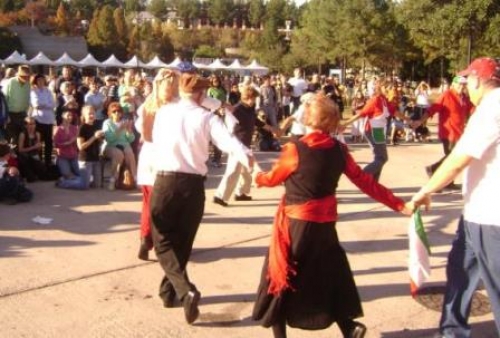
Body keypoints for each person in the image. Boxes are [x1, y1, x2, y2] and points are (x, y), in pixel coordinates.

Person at [251, 94, 413, 338]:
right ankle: (348, 327)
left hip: (297, 224)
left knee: (280, 274)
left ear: (309, 118)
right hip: (325, 224)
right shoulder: (339, 149)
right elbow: (365, 181)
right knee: (328, 274)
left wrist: (257, 177)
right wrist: (399, 205)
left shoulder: (295, 149)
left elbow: (273, 178)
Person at [150, 71, 253, 324]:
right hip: (193, 186)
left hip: (165, 180)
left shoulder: (165, 112)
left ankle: (184, 291)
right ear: (200, 94)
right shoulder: (207, 118)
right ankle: (169, 292)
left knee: (163, 241)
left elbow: (154, 140)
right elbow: (228, 143)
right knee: (182, 242)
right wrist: (247, 156)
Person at [411, 57, 500, 338]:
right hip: (475, 212)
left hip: (490, 215)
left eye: (466, 80)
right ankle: (452, 331)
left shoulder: (492, 108)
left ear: (476, 80)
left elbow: (458, 160)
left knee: (496, 287)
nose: (465, 86)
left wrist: (426, 190)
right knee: (460, 269)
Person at [135, 68, 179, 261]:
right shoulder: (176, 107)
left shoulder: (147, 105)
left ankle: (145, 239)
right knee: (164, 206)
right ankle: (161, 245)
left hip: (147, 159)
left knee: (148, 203)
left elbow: (141, 132)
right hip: (164, 160)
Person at [340, 77, 410, 182]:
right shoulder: (375, 100)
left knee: (379, 157)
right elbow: (362, 114)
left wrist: (408, 119)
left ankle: (373, 181)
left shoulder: (384, 100)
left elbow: (394, 112)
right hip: (373, 130)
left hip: (379, 131)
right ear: (380, 87)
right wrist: (345, 123)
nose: (390, 89)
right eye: (387, 87)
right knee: (382, 158)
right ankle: (362, 176)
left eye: (391, 87)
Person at [213, 86, 273, 207]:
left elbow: (256, 121)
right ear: (246, 97)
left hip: (246, 144)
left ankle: (241, 193)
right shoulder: (237, 109)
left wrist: (270, 128)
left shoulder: (250, 109)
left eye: (254, 98)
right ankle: (220, 196)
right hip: (237, 145)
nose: (253, 101)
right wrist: (223, 111)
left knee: (245, 172)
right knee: (233, 171)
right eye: (252, 98)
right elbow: (225, 114)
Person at [418, 76, 473, 189]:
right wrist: (420, 121)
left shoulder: (464, 97)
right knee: (452, 157)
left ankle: (447, 181)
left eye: (464, 85)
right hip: (448, 132)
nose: (462, 87)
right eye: (459, 84)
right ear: (453, 84)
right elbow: (433, 109)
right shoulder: (447, 95)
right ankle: (433, 170)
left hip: (459, 132)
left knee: (453, 157)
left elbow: (471, 109)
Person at [102, 102, 136, 190]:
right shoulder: (107, 123)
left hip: (124, 145)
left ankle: (134, 178)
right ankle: (113, 180)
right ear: (110, 113)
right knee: (118, 154)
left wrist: (129, 131)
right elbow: (109, 139)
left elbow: (131, 139)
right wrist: (119, 129)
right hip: (111, 145)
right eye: (114, 111)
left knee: (129, 152)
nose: (117, 113)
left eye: (119, 111)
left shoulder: (124, 122)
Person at [30, 73, 56, 166]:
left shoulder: (48, 91)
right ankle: (39, 161)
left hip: (48, 120)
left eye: (42, 80)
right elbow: (36, 104)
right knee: (39, 141)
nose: (41, 82)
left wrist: (44, 105)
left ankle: (48, 161)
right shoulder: (33, 91)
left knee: (49, 142)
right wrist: (46, 104)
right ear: (35, 81)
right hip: (38, 119)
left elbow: (53, 104)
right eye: (39, 80)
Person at [2, 65, 31, 145]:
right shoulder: (10, 82)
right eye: (23, 76)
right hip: (11, 114)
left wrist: (27, 113)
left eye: (27, 76)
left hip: (22, 114)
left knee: (21, 137)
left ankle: (19, 156)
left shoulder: (28, 84)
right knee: (10, 137)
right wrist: (6, 116)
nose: (25, 78)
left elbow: (27, 99)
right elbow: (4, 99)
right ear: (18, 75)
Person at [77, 105, 105, 188]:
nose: (92, 116)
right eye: (89, 114)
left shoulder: (96, 126)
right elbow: (80, 147)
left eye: (93, 113)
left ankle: (83, 178)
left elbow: (99, 141)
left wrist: (101, 138)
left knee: (97, 185)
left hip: (95, 158)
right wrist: (94, 137)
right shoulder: (82, 128)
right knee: (84, 185)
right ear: (84, 116)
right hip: (85, 160)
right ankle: (64, 182)